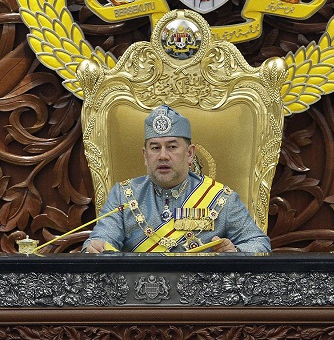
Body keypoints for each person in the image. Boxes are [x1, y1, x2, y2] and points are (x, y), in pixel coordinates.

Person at [83, 105, 271, 253]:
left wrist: (236, 252)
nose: (163, 156)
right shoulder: (123, 196)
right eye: (155, 148)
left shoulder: (222, 199)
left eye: (172, 147)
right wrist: (95, 246)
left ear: (189, 154)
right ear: (145, 156)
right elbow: (100, 240)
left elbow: (259, 245)